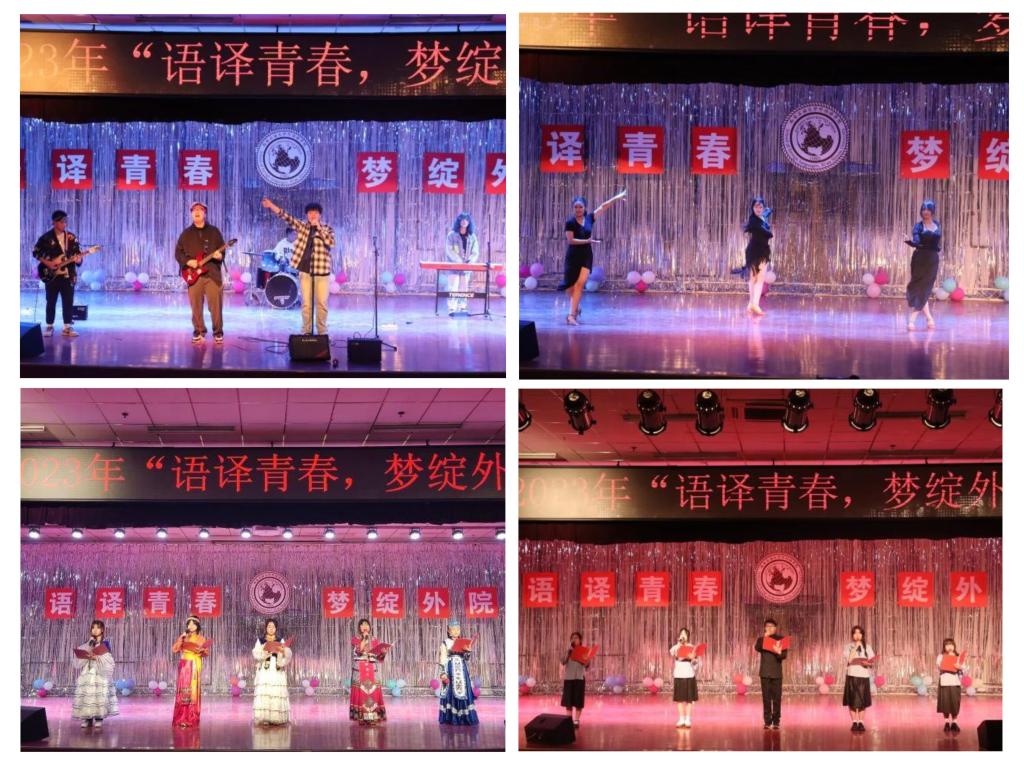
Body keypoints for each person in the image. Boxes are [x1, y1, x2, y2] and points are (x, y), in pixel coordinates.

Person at [261, 198, 336, 336]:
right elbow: (285, 216)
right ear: (307, 215)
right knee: (306, 304)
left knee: (321, 304)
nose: (312, 215)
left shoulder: (327, 228)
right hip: (305, 272)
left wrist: (319, 228)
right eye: (310, 213)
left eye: (315, 213)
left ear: (320, 215)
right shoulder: (302, 226)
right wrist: (271, 205)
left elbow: (331, 243)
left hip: (322, 272)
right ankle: (306, 331)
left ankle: (322, 332)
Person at [560, 190, 627, 325]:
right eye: (576, 207)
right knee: (569, 287)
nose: (578, 209)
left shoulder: (590, 218)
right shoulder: (570, 222)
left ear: (584, 208)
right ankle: (576, 306)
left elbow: (603, 206)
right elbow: (571, 241)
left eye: (580, 207)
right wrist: (587, 241)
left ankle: (571, 316)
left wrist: (618, 197)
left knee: (579, 285)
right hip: (573, 256)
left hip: (586, 256)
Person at [32, 210, 92, 338]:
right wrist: (48, 263)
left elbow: (78, 254)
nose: (64, 224)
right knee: (51, 301)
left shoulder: (71, 237)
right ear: (54, 222)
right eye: (61, 221)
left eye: (65, 221)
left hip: (68, 275)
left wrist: (79, 260)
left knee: (68, 301)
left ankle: (67, 327)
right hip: (51, 275)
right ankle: (49, 325)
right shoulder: (46, 238)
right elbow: (35, 252)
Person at [174, 202, 227, 344]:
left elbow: (222, 251)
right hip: (193, 275)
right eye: (194, 210)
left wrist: (220, 256)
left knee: (216, 306)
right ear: (191, 213)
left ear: (205, 213)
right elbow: (178, 253)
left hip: (212, 274)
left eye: (200, 209)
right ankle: (199, 331)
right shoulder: (186, 234)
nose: (197, 212)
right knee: (196, 306)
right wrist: (188, 261)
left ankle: (218, 332)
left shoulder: (214, 232)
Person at [71, 619, 118, 730]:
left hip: (100, 672)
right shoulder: (89, 642)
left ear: (102, 630)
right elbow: (81, 655)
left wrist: (96, 657)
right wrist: (86, 653)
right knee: (88, 694)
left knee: (99, 695)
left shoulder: (105, 643)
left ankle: (98, 718)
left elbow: (108, 659)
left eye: (97, 627)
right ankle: (87, 718)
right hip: (88, 671)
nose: (95, 630)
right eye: (93, 627)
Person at [905, 200, 942, 331]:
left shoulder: (937, 224)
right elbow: (917, 241)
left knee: (926, 288)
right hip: (920, 259)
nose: (925, 212)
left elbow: (937, 242)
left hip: (932, 259)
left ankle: (929, 318)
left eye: (928, 209)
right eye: (923, 209)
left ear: (932, 211)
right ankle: (913, 319)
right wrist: (911, 242)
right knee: (921, 288)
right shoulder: (918, 226)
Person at [438, 618, 479, 725]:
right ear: (449, 630)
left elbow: (466, 658)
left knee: (464, 690)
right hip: (450, 669)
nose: (456, 631)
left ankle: (465, 717)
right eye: (453, 629)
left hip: (462, 670)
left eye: (458, 629)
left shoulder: (462, 642)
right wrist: (443, 672)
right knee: (450, 691)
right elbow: (442, 658)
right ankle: (451, 717)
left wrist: (468, 652)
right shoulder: (445, 643)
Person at [171, 615, 209, 728]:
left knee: (192, 691)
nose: (190, 626)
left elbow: (206, 653)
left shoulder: (201, 638)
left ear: (197, 626)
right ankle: (181, 717)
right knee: (184, 690)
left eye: (193, 624)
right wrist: (181, 638)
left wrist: (201, 650)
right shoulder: (184, 637)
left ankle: (191, 717)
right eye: (189, 624)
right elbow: (174, 649)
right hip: (184, 665)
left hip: (194, 664)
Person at [252, 618, 291, 726]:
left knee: (276, 692)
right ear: (266, 628)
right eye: (269, 626)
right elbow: (256, 653)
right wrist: (264, 653)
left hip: (276, 667)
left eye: (273, 627)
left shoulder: (280, 640)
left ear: (276, 628)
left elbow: (286, 653)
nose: (271, 628)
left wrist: (283, 651)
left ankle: (276, 717)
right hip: (265, 668)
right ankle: (264, 717)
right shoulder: (261, 640)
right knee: (265, 691)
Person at [739, 197, 773, 315]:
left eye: (760, 207)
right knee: (754, 278)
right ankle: (754, 304)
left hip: (763, 251)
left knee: (760, 278)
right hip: (754, 252)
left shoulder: (762, 217)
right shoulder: (754, 221)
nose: (758, 209)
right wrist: (765, 220)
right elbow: (768, 234)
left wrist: (766, 213)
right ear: (752, 208)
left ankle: (752, 304)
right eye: (756, 207)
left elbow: (768, 211)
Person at [350, 618, 387, 723]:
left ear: (370, 627)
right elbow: (359, 650)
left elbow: (379, 658)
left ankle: (372, 716)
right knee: (361, 691)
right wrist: (365, 638)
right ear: (359, 627)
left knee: (373, 692)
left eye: (367, 624)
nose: (365, 626)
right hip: (359, 669)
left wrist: (383, 652)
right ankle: (361, 716)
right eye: (362, 625)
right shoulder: (355, 639)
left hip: (372, 669)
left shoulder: (374, 639)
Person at [754, 617, 787, 729]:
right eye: (767, 626)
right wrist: (765, 637)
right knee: (766, 699)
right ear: (765, 628)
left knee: (777, 699)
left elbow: (784, 656)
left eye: (771, 626)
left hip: (777, 673)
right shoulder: (761, 639)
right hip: (765, 673)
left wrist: (778, 652)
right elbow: (757, 648)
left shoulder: (781, 639)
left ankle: (776, 721)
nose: (769, 628)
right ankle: (767, 721)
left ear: (775, 628)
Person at [444, 212, 480, 316]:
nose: (464, 221)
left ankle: (462, 307)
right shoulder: (451, 235)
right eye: (462, 219)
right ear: (459, 221)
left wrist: (470, 260)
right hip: (454, 266)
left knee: (464, 288)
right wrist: (458, 261)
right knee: (453, 287)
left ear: (469, 222)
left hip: (466, 267)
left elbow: (475, 252)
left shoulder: (472, 236)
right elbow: (449, 250)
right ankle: (452, 307)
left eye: (466, 219)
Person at [842, 625, 874, 731]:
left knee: (862, 701)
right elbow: (850, 660)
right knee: (852, 701)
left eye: (859, 633)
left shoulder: (867, 647)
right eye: (855, 633)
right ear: (852, 635)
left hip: (863, 676)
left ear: (862, 635)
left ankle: (861, 722)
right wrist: (856, 647)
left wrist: (868, 663)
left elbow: (871, 662)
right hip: (852, 676)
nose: (857, 635)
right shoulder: (848, 647)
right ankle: (854, 722)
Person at [669, 627, 699, 728]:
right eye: (681, 634)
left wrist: (693, 659)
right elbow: (672, 653)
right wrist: (679, 645)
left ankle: (688, 719)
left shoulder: (692, 647)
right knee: (679, 699)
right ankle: (681, 719)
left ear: (688, 636)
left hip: (689, 675)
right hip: (679, 675)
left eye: (684, 634)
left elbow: (696, 665)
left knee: (689, 700)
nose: (683, 635)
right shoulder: (675, 647)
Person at [560, 631, 589, 727]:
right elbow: (563, 661)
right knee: (568, 701)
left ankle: (576, 720)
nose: (574, 639)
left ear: (580, 640)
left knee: (578, 701)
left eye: (576, 637)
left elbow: (587, 665)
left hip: (579, 678)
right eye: (572, 638)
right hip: (569, 678)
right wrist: (568, 652)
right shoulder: (568, 651)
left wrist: (583, 659)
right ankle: (569, 721)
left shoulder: (584, 651)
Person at [937, 637, 964, 733]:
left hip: (955, 682)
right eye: (947, 645)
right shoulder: (941, 656)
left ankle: (955, 723)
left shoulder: (958, 656)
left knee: (954, 703)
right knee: (945, 703)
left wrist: (959, 667)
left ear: (954, 646)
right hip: (944, 682)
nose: (949, 647)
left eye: (951, 645)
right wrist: (949, 658)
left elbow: (964, 667)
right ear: (944, 647)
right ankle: (946, 723)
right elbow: (940, 666)